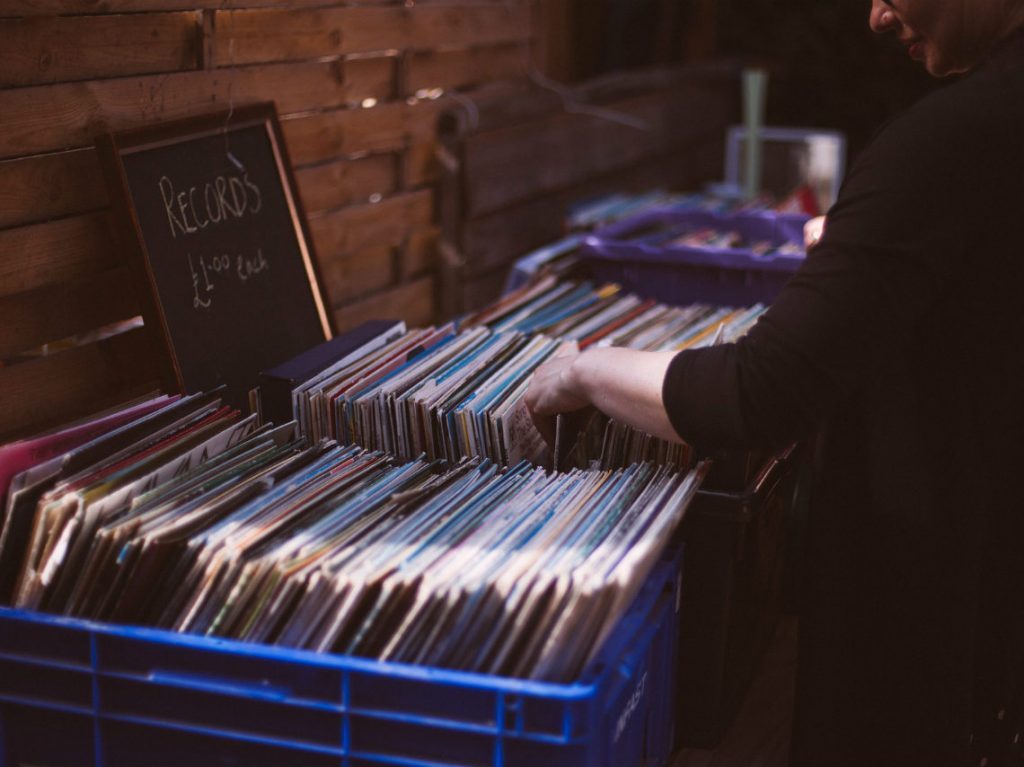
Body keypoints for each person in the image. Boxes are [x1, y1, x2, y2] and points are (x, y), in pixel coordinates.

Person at [525, 1, 1024, 764]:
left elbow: (759, 393)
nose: (876, 16)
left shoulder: (960, 131)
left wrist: (585, 369)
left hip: (940, 619)